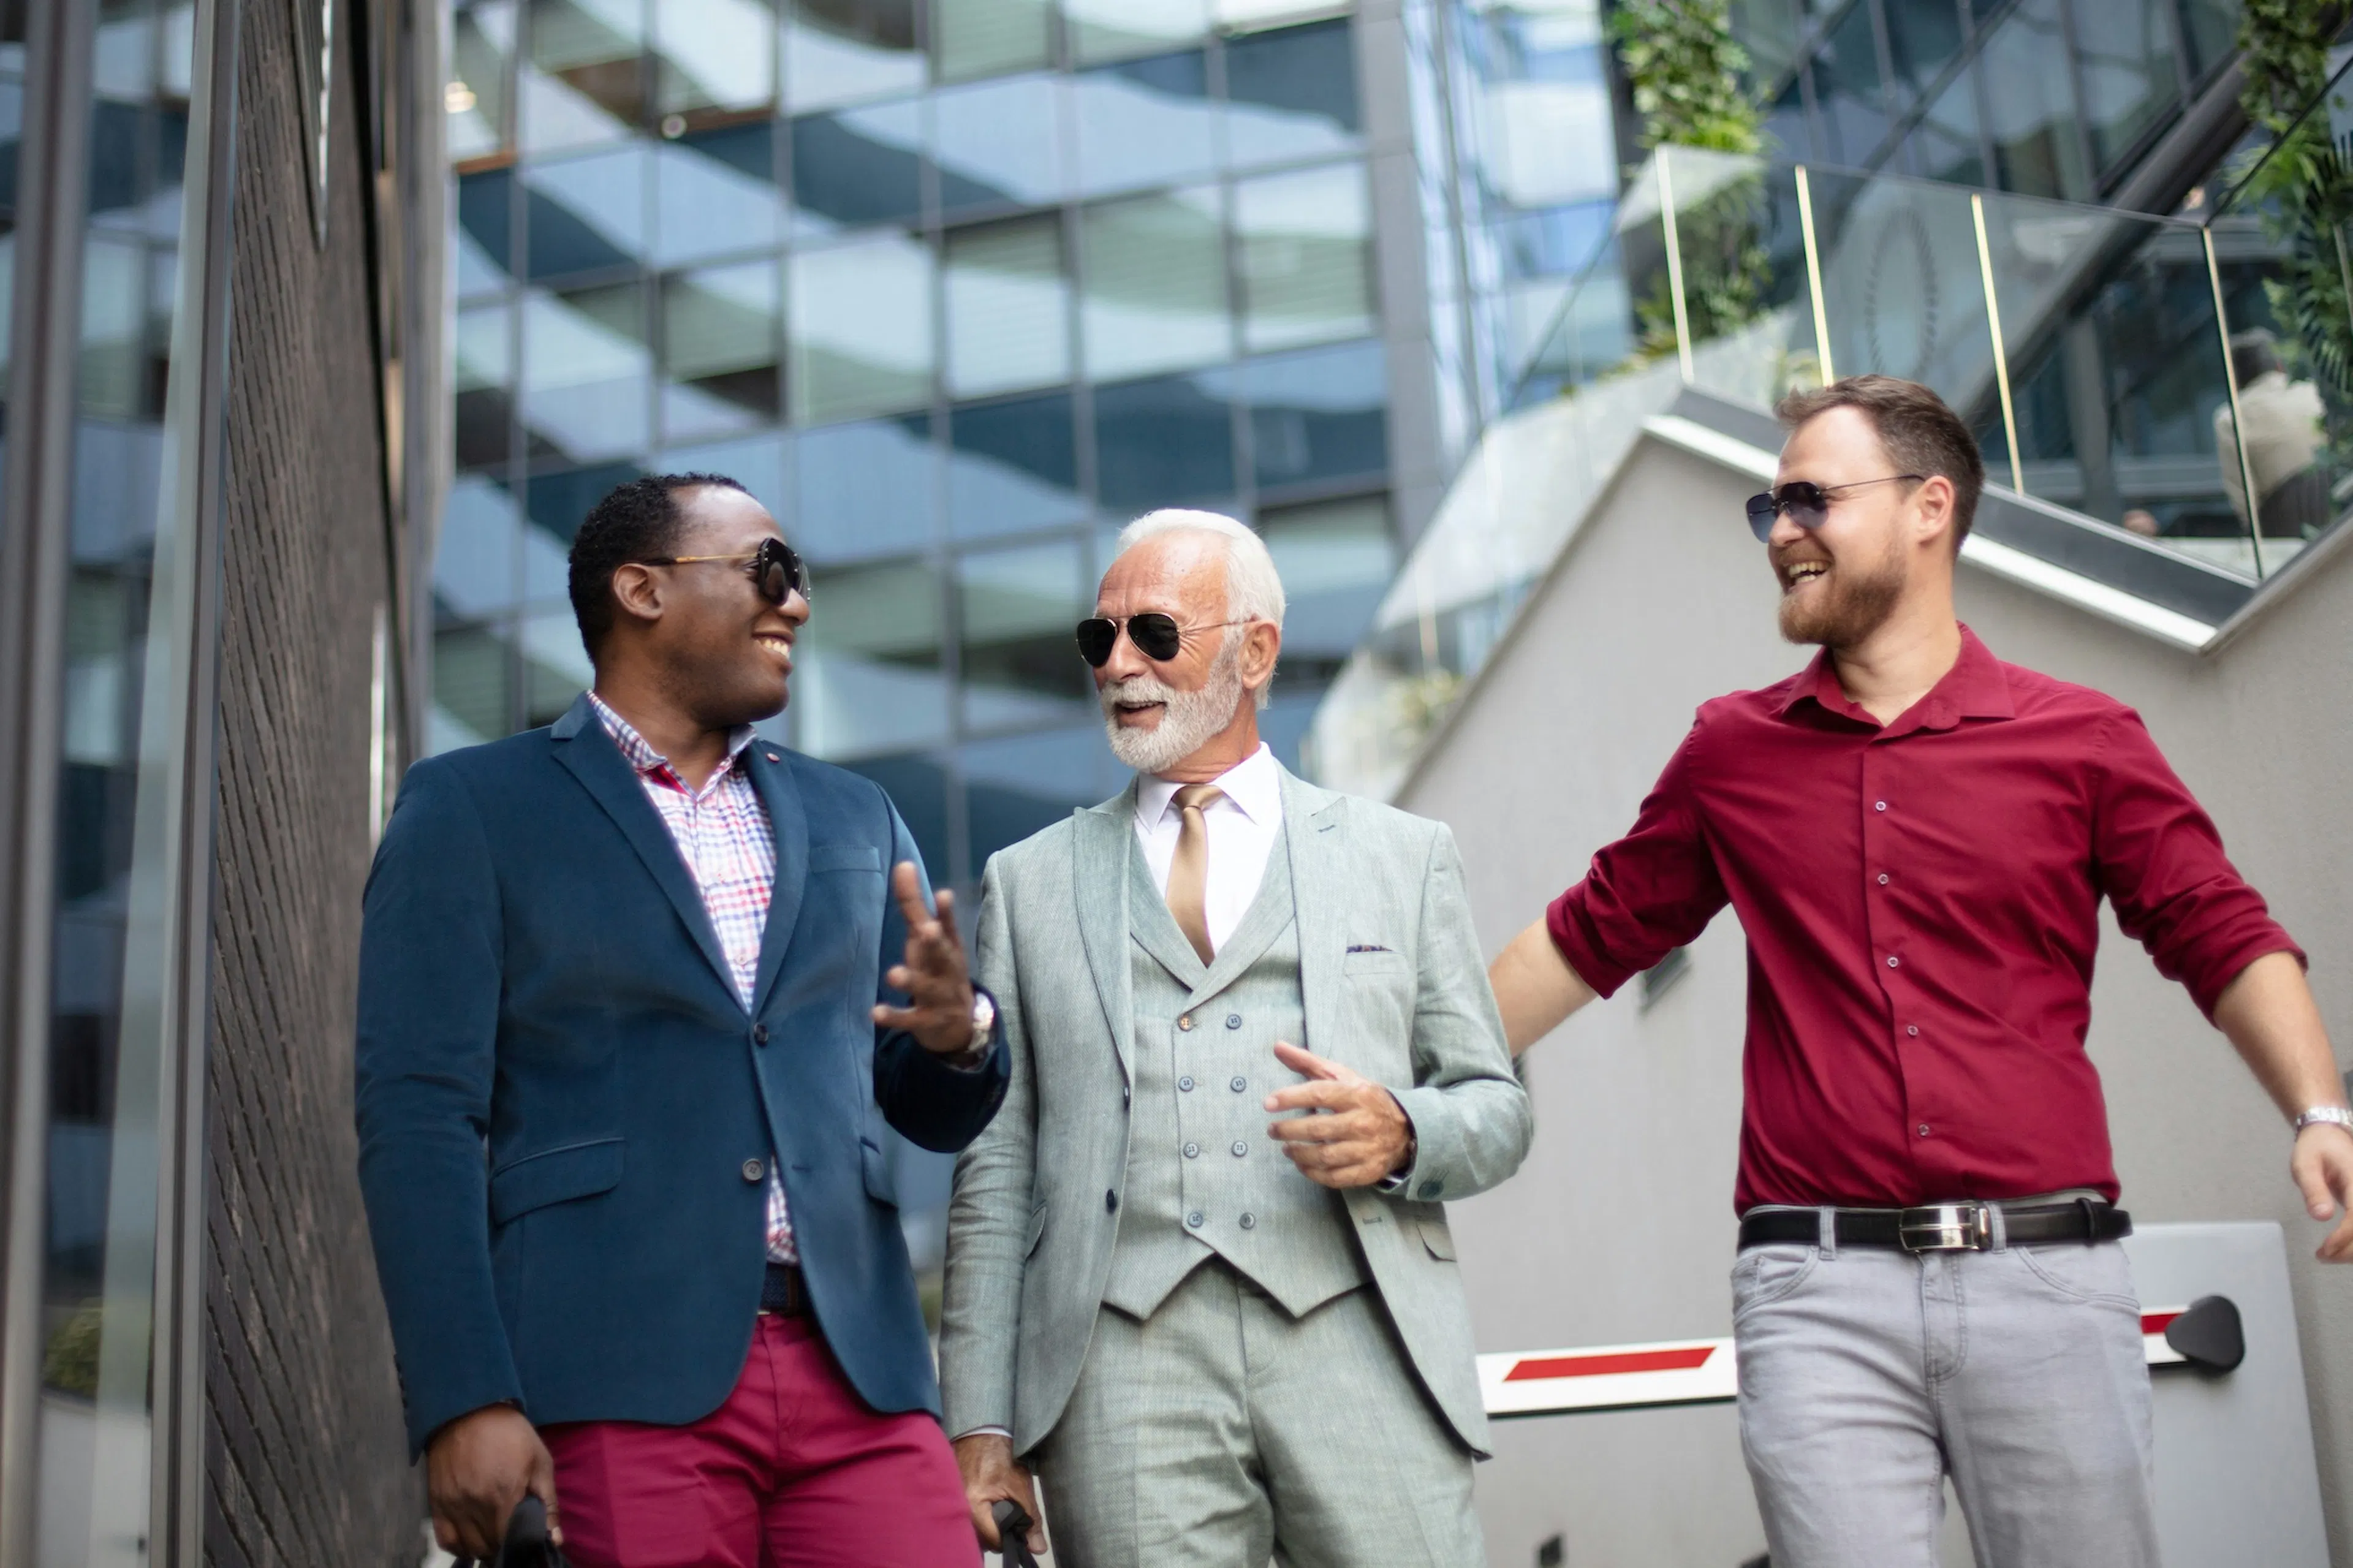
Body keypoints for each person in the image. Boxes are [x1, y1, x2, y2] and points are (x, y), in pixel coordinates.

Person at [1484, 376, 2353, 1568]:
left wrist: (2317, 1105)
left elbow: (2217, 925)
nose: (1781, 528)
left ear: (1929, 506)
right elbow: (1588, 935)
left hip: (2049, 1279)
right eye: (1767, 505)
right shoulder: (1731, 752)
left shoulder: (2084, 739)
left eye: (1810, 498)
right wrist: (1412, 1071)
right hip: (1816, 1297)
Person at [356, 473, 1008, 1567]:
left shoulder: (862, 814)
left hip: (863, 1375)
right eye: (769, 568)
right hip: (613, 1369)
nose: (795, 603)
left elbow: (928, 1105)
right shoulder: (471, 805)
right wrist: (462, 1394)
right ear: (642, 588)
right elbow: (418, 1114)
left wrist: (961, 1034)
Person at [939, 510, 1531, 1568]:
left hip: (1361, 1336)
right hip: (1122, 1366)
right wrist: (981, 1424)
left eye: (1155, 633)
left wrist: (1403, 1130)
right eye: (1098, 638)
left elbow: (1496, 1104)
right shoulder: (1026, 882)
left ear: (1254, 650)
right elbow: (997, 1170)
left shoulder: (1403, 855)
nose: (1119, 663)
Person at [2214, 328, 2330, 537]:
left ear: (2236, 379)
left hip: (2287, 517)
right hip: (2336, 493)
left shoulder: (2230, 418)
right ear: (2279, 365)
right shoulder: (2311, 391)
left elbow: (2242, 495)